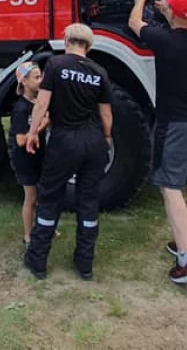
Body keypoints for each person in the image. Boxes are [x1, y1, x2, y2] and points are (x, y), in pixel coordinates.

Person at [128, 0, 187, 285]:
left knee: (170, 186)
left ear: (174, 15)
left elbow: (135, 24)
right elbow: (181, 24)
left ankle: (185, 262)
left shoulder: (165, 40)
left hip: (175, 125)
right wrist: (171, 11)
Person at [24, 24, 113, 281]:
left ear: (66, 41)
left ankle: (37, 261)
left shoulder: (55, 65)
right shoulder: (100, 72)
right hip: (93, 142)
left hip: (64, 141)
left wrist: (32, 133)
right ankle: (85, 264)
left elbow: (42, 102)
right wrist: (106, 137)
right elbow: (106, 114)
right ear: (89, 46)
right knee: (88, 202)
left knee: (50, 198)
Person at [8, 61, 46, 251]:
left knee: (42, 196)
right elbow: (22, 140)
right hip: (25, 159)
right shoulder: (21, 109)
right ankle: (28, 236)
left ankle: (42, 228)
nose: (41, 80)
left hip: (39, 156)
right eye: (37, 77)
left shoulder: (38, 103)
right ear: (24, 81)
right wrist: (43, 125)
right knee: (30, 198)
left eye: (42, 76)